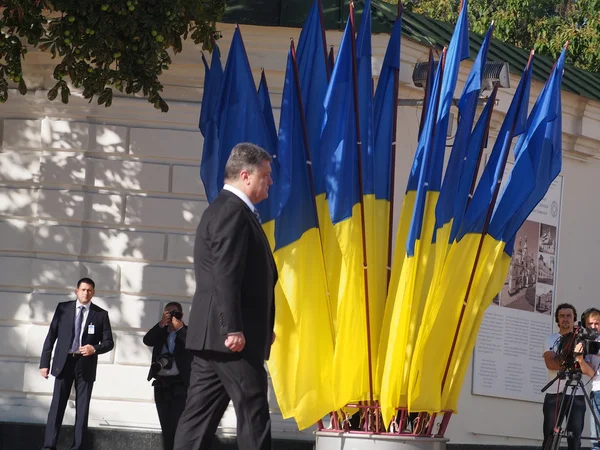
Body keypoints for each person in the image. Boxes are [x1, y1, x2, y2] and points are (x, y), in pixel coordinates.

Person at [173, 143, 277, 450]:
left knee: (198, 420)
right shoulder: (232, 212)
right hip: (230, 340)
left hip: (214, 338)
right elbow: (225, 274)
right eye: (266, 175)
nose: (270, 181)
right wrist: (233, 328)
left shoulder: (229, 210)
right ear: (246, 175)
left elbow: (244, 276)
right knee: (254, 410)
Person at [40, 277, 114, 450]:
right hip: (63, 363)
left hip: (85, 365)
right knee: (57, 407)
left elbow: (109, 342)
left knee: (82, 410)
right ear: (76, 291)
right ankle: (49, 446)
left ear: (93, 293)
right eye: (83, 289)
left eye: (89, 290)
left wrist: (94, 348)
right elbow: (51, 336)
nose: (86, 293)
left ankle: (78, 447)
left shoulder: (101, 314)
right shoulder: (63, 308)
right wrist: (44, 363)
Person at [143, 302, 191, 450]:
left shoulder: (187, 332)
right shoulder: (161, 331)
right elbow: (147, 340)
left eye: (174, 313)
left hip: (180, 385)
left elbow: (193, 347)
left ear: (181, 315)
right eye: (168, 314)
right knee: (166, 427)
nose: (171, 317)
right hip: (161, 383)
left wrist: (180, 329)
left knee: (179, 426)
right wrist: (161, 324)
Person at [542, 303, 586, 450]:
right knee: (550, 437)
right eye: (562, 316)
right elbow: (551, 363)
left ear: (574, 318)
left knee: (575, 439)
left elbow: (587, 366)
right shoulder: (550, 339)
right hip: (555, 393)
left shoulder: (582, 341)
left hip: (577, 394)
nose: (565, 319)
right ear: (557, 319)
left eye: (569, 316)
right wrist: (573, 359)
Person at [575, 308, 600, 450]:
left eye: (597, 323)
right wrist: (580, 359)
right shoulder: (588, 343)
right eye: (590, 324)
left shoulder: (593, 345)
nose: (593, 327)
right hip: (597, 392)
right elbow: (591, 373)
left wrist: (595, 350)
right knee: (596, 440)